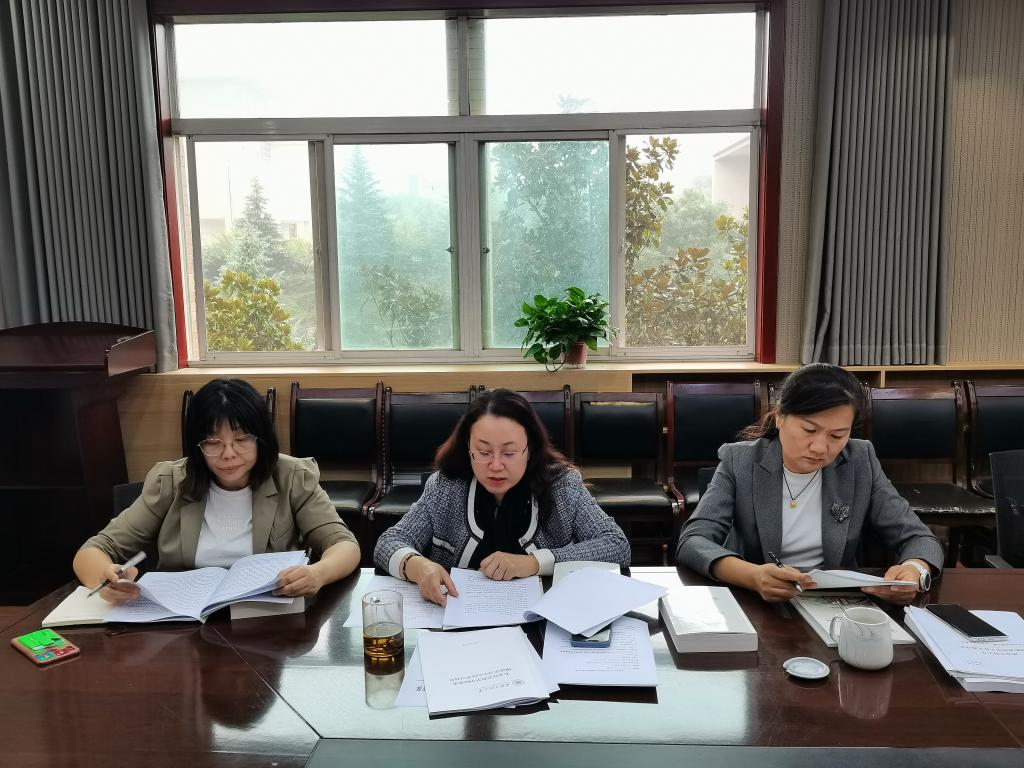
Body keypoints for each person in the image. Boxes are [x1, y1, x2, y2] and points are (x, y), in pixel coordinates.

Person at [74, 378, 360, 603]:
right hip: (184, 624)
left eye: (242, 440)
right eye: (213, 442)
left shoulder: (292, 476)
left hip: (267, 620)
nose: (228, 454)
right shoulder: (170, 481)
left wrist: (317, 573)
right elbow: (93, 550)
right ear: (197, 446)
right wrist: (106, 579)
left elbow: (344, 545)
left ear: (261, 438)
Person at [676, 363, 943, 604]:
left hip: (837, 603)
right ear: (780, 417)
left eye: (837, 435)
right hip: (757, 601)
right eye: (809, 430)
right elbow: (693, 540)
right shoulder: (740, 461)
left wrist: (914, 570)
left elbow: (919, 537)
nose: (820, 448)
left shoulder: (860, 460)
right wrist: (752, 575)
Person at [374, 388, 630, 605]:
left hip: (544, 623)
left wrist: (533, 563)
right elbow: (390, 541)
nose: (495, 466)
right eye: (483, 452)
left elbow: (616, 545)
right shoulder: (446, 486)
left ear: (530, 449)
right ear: (468, 448)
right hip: (458, 626)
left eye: (509, 453)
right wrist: (418, 566)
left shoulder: (562, 485)